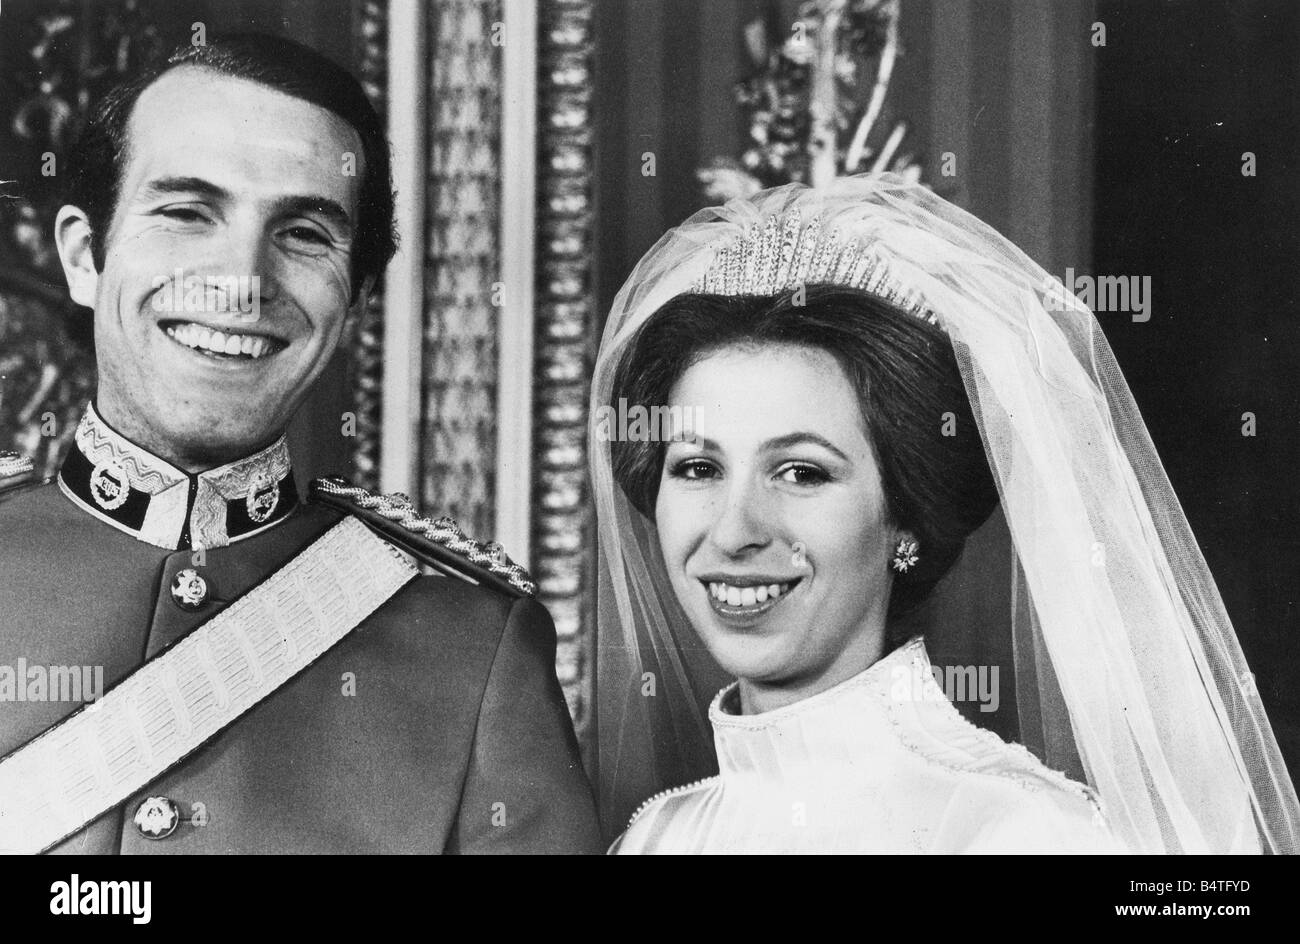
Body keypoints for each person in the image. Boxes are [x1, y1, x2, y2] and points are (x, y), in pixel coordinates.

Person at [0, 34, 601, 854]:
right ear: (84, 257)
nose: (243, 278)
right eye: (185, 212)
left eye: (304, 234)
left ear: (351, 307)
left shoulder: (472, 650)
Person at [590, 174, 1300, 853]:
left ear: (906, 515)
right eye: (699, 468)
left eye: (802, 472)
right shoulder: (660, 835)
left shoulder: (1018, 834)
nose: (735, 530)